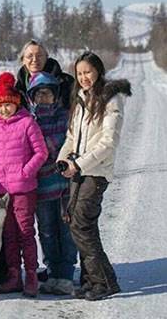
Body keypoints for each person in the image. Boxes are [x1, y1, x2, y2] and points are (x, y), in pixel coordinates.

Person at [58, 51, 130, 301]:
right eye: (79, 73)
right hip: (78, 169)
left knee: (81, 224)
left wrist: (79, 164)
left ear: (98, 71)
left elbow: (108, 142)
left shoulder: (110, 98)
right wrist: (63, 158)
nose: (84, 77)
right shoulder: (80, 98)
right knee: (79, 224)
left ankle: (104, 282)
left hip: (96, 171)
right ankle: (92, 279)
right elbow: (71, 137)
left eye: (88, 71)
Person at [0, 72, 48, 297]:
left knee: (25, 232)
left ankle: (31, 274)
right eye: (0, 105)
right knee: (8, 234)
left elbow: (41, 152)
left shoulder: (27, 123)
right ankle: (14, 275)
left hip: (23, 189)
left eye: (8, 104)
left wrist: (25, 172)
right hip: (1, 190)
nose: (4, 109)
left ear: (16, 103)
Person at [27, 72, 77, 295]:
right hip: (42, 185)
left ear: (55, 95)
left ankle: (65, 274)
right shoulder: (30, 120)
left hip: (65, 185)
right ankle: (52, 272)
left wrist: (47, 148)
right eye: (38, 93)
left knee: (66, 229)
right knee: (46, 231)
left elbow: (68, 143)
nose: (43, 97)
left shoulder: (64, 116)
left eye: (47, 92)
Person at [16, 39, 74, 109]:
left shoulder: (65, 82)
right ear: (23, 60)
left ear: (46, 57)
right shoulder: (19, 88)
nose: (35, 59)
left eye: (39, 55)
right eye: (29, 56)